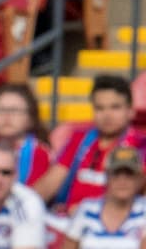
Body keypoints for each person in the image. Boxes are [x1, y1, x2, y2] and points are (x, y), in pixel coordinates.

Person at [33, 76, 145, 209]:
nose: (107, 115)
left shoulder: (141, 145)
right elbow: (47, 187)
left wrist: (85, 213)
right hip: (69, 221)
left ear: (131, 111)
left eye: (115, 107)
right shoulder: (80, 140)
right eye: (100, 108)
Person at [61, 146, 146, 248]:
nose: (122, 181)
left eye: (129, 174)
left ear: (139, 178)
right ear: (107, 176)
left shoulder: (143, 211)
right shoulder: (86, 209)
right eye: (116, 174)